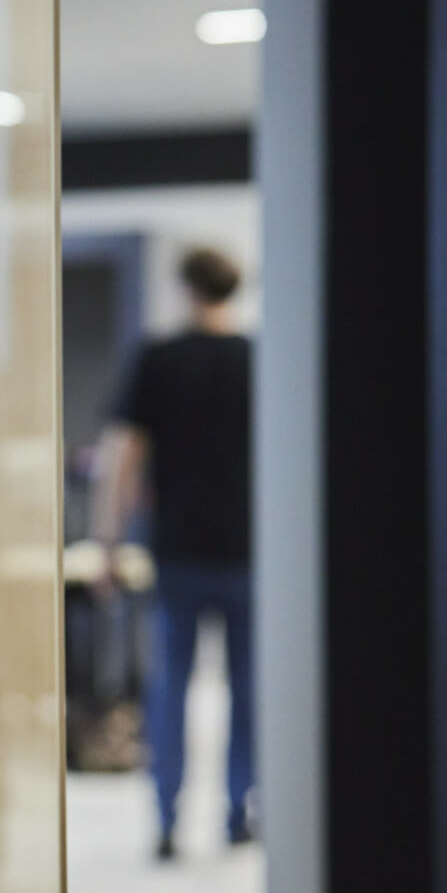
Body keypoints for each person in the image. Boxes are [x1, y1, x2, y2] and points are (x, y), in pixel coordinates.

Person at [92, 247, 253, 861]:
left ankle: (166, 819)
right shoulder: (254, 359)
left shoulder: (159, 360)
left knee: (170, 686)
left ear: (186, 290)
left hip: (179, 551)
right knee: (247, 685)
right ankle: (241, 809)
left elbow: (122, 458)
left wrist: (108, 541)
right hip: (248, 552)